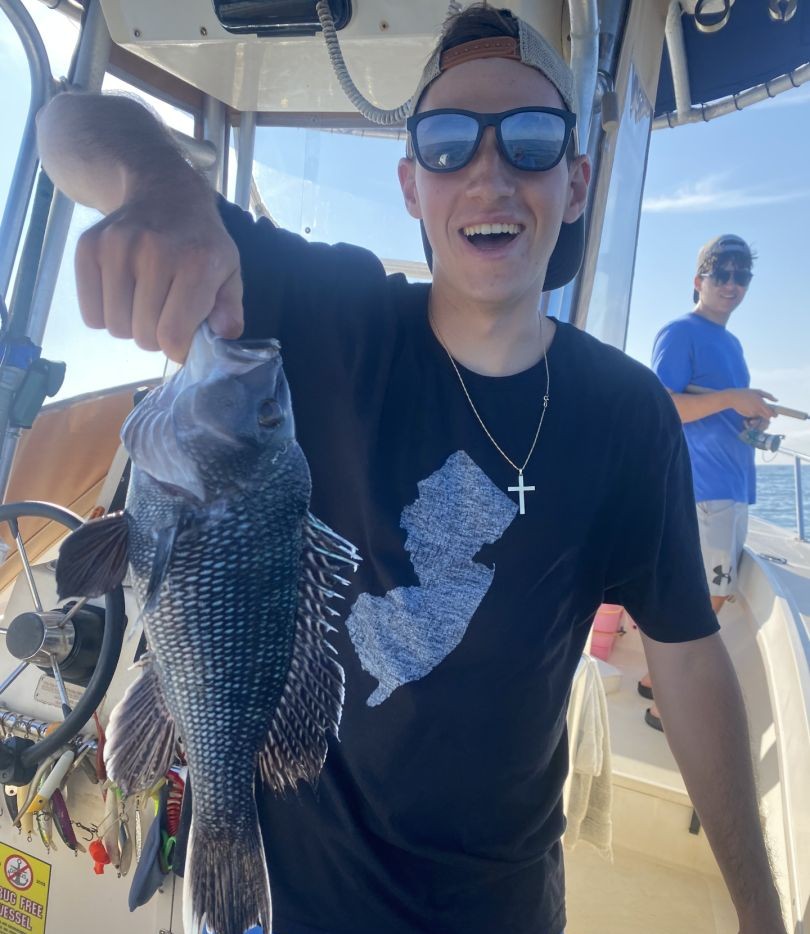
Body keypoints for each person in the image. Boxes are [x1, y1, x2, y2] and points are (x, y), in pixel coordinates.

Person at [36, 6, 785, 933]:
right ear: (410, 185)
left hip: (499, 908)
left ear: (577, 182)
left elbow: (687, 654)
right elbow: (67, 127)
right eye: (446, 143)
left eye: (531, 141)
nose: (488, 175)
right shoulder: (328, 313)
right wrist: (162, 186)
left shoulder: (629, 416)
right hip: (285, 895)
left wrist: (761, 911)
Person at [639, 236, 776, 732]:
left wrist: (749, 416)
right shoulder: (681, 332)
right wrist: (733, 397)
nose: (732, 284)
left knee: (708, 594)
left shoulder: (731, 344)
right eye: (722, 274)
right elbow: (664, 406)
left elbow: (720, 409)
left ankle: (654, 681)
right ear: (699, 280)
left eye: (742, 276)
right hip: (703, 489)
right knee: (705, 600)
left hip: (731, 487)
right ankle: (666, 706)